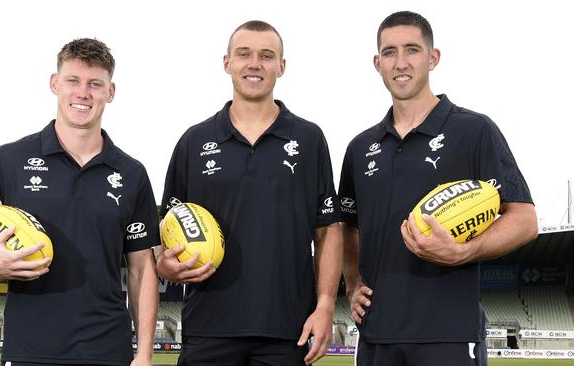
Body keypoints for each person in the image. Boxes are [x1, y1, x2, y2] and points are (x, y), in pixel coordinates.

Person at [338, 11, 538, 366]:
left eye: (412, 50)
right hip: (376, 335)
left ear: (433, 58)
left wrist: (464, 251)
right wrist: (352, 283)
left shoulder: (474, 130)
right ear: (376, 62)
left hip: (450, 335)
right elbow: (347, 226)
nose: (400, 63)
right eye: (389, 52)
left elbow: (524, 220)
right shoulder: (359, 147)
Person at [0, 38, 159, 366]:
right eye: (73, 81)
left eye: (95, 84)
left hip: (107, 350)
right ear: (54, 83)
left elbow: (142, 268)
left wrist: (144, 353)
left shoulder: (131, 173)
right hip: (29, 349)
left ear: (111, 91)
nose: (83, 93)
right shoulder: (9, 160)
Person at [155, 20, 342, 366]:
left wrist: (326, 304)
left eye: (267, 56)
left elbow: (328, 229)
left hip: (287, 330)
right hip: (208, 328)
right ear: (226, 62)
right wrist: (164, 266)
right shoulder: (193, 142)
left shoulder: (309, 139)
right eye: (244, 54)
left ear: (281, 67)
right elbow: (167, 227)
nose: (254, 63)